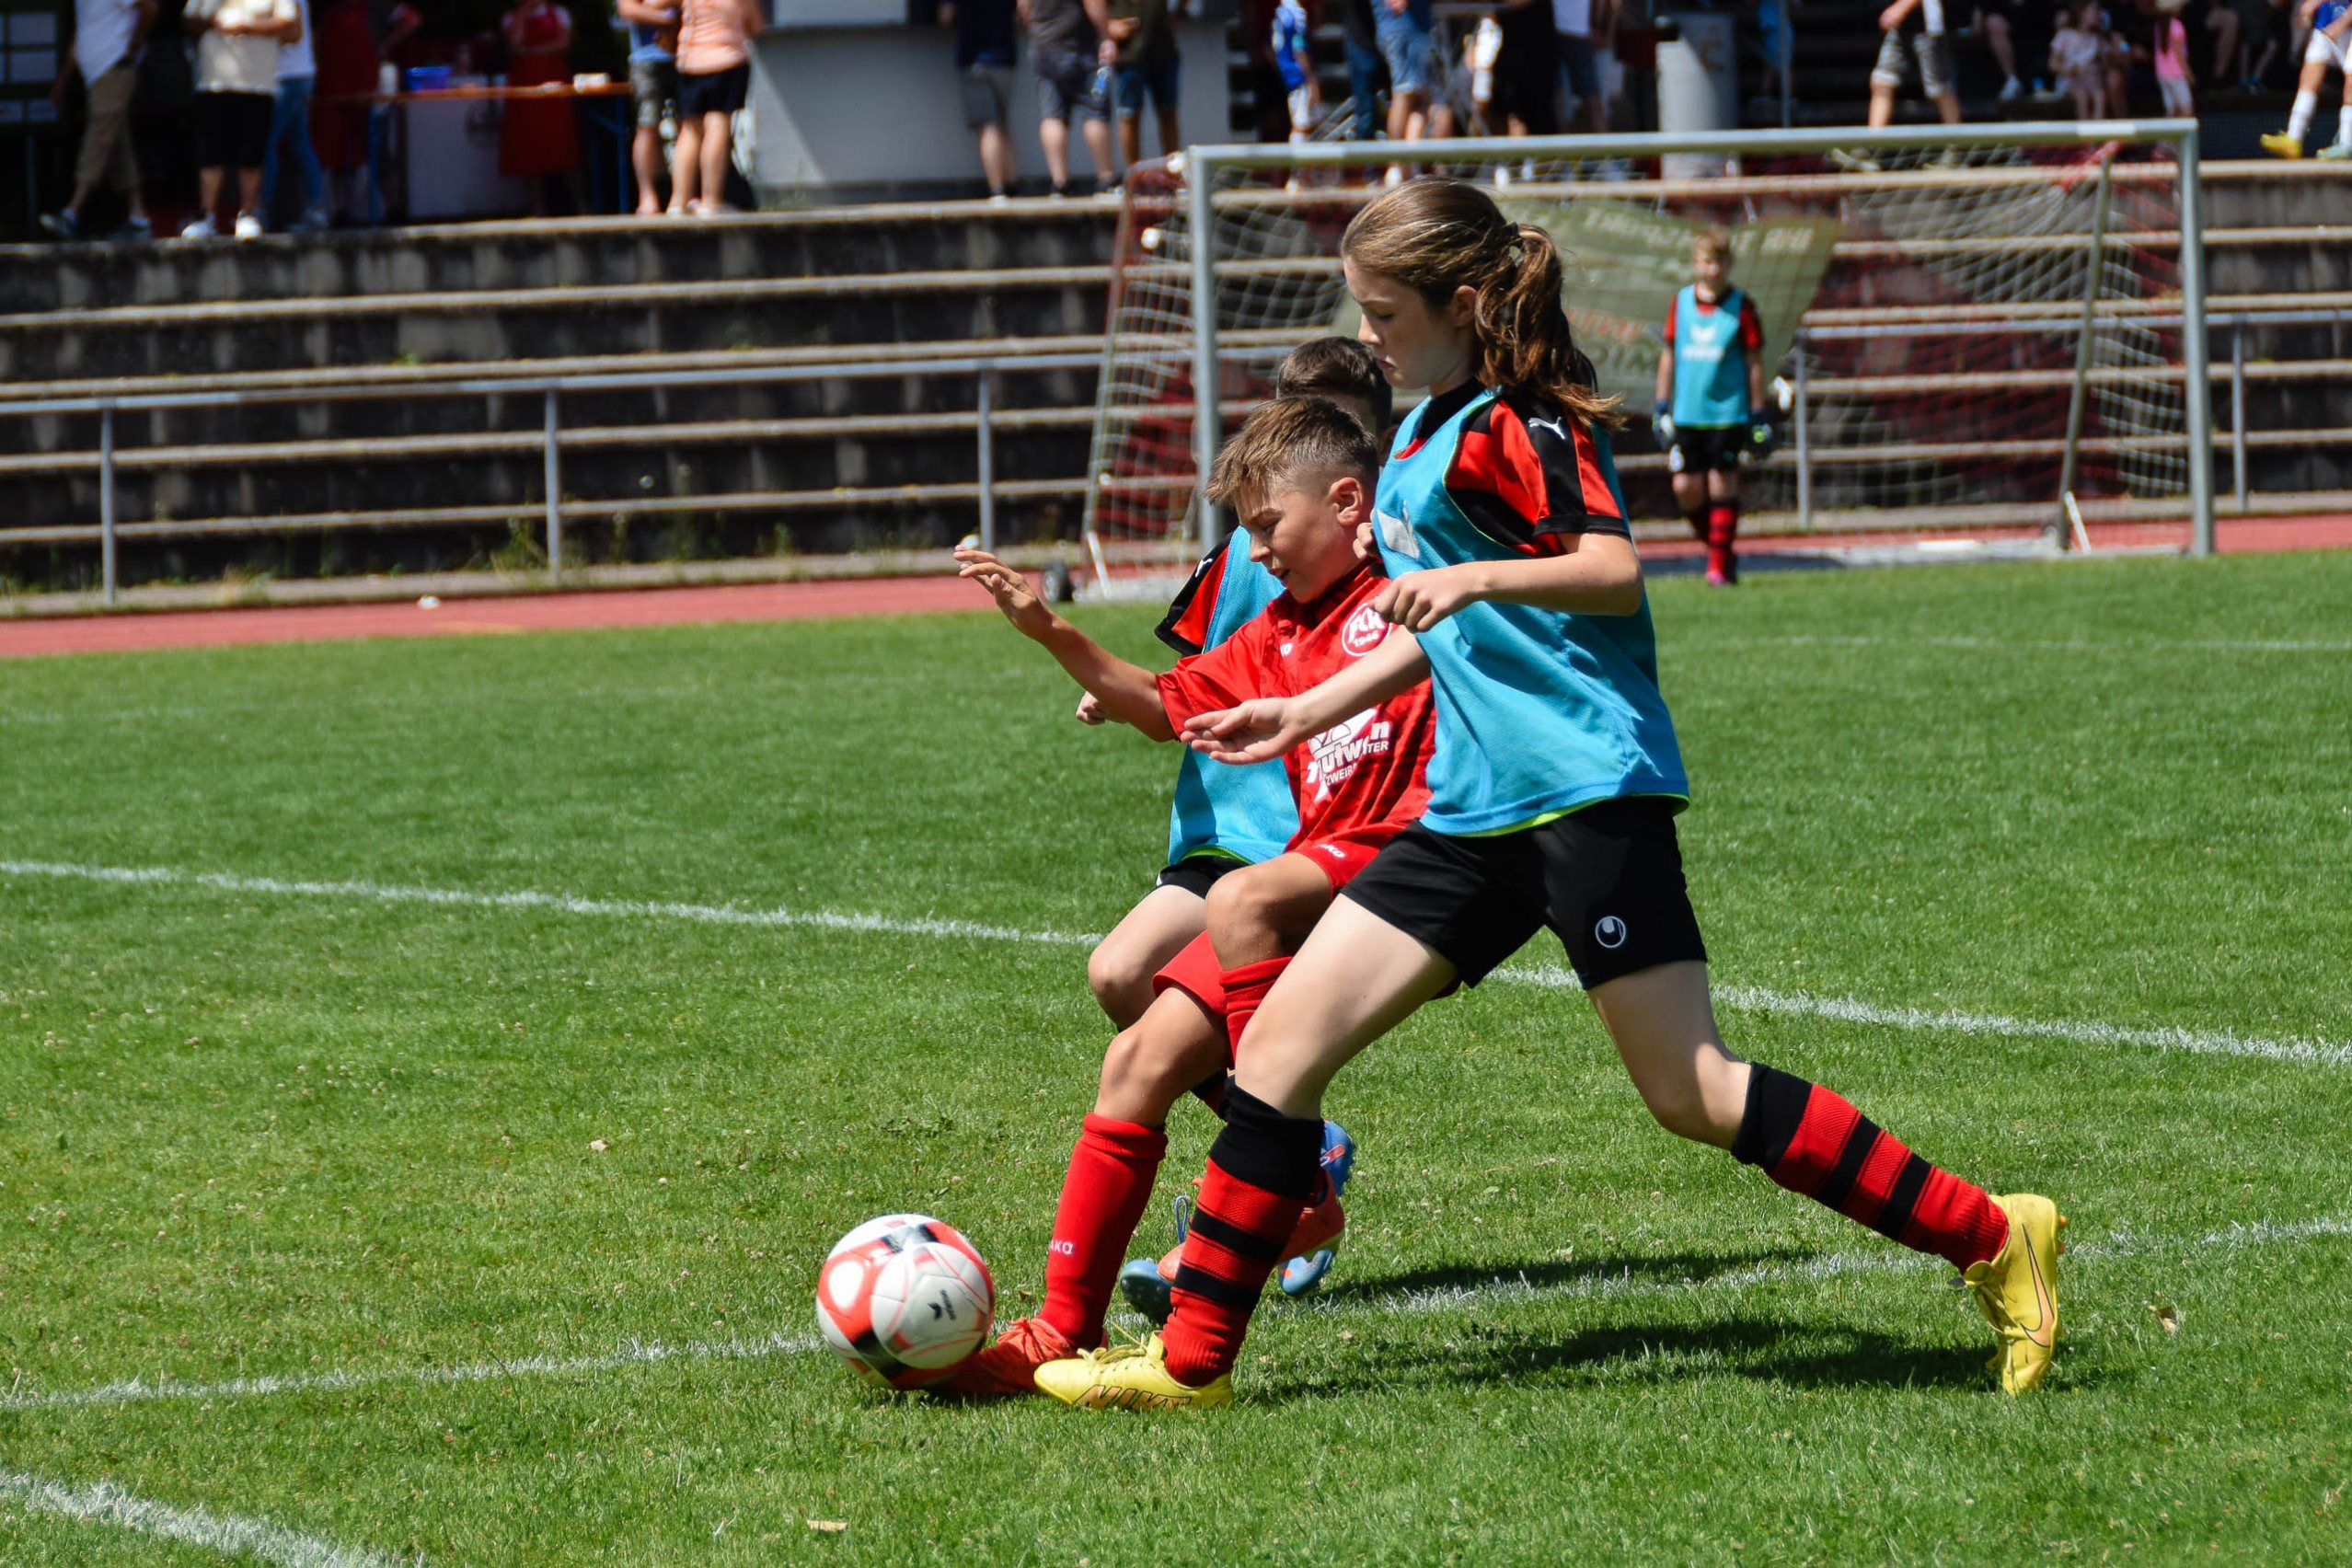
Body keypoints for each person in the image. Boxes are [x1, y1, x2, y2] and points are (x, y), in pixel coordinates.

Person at [1035, 178, 2064, 1412]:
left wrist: (1474, 581)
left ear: (1464, 303)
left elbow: (1612, 569)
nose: (1367, 336)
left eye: (1384, 313)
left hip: (1583, 794)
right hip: (1469, 813)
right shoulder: (1419, 434)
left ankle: (1993, 1233)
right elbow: (1440, 629)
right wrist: (1308, 709)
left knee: (1691, 1091)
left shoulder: (1522, 423)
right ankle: (1191, 1362)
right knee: (1279, 1054)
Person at [940, 395, 1436, 1397]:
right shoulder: (1279, 631)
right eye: (1248, 531)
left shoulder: (1417, 583)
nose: (1258, 552)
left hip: (1414, 867)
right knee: (1133, 1061)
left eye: (1270, 526)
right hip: (1313, 878)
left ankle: (1278, 1154)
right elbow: (1159, 705)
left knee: (1241, 902)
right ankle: (1059, 1331)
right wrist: (1046, 628)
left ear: (1350, 504)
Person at [1654, 229, 1768, 587]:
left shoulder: (1741, 306)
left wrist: (1758, 413)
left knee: (1722, 482)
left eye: (1719, 261)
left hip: (1727, 412)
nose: (1713, 269)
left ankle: (1717, 566)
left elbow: (1753, 362)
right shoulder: (1681, 302)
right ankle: (1720, 552)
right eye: (1706, 261)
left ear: (1729, 264)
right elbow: (1669, 355)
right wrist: (1661, 405)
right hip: (1688, 411)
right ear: (1695, 264)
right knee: (1684, 488)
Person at [40, 0, 157, 241]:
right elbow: (83, 33)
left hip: (114, 69)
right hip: (94, 78)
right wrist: (63, 80)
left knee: (99, 138)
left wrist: (134, 45)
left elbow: (150, 7)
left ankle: (71, 212)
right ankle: (138, 217)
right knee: (118, 144)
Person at [183, 0, 301, 239]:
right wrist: (214, 21)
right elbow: (189, 20)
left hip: (258, 84)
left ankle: (247, 213)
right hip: (213, 83)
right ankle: (206, 215)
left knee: (252, 153)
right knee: (210, 153)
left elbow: (291, 25)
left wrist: (249, 26)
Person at [1836, 0, 1961, 169]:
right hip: (1900, 28)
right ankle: (1872, 149)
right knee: (1882, 82)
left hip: (1927, 27)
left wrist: (1900, 8)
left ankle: (1955, 151)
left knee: (1939, 89)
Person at [671, 0, 761, 213]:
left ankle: (678, 202)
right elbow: (756, 25)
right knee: (718, 125)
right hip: (727, 60)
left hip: (690, 62)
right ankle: (711, 200)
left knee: (689, 131)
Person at [1021, 0, 1116, 196]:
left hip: (1043, 47)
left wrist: (1037, 28)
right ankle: (1107, 179)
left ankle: (1060, 183)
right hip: (1081, 49)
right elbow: (1094, 3)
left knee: (1052, 115)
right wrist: (1106, 37)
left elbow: (1023, 6)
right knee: (1095, 111)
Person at [500, 0, 583, 216]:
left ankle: (581, 205)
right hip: (525, 88)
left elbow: (563, 44)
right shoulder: (511, 18)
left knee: (564, 144)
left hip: (555, 86)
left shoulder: (560, 14)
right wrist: (523, 12)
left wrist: (530, 50)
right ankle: (538, 208)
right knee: (529, 147)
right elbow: (514, 45)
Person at [260, 0, 329, 231]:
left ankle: (261, 209)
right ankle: (316, 208)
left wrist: (251, 30)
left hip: (287, 76)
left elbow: (293, 32)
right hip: (297, 74)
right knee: (300, 143)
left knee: (266, 140)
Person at [941, 0, 1020, 200]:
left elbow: (946, 16)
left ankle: (997, 188)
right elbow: (1022, 11)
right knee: (1002, 124)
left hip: (974, 60)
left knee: (989, 126)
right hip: (1005, 58)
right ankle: (1011, 184)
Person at [2261, 0, 2352, 156]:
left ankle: (2347, 144)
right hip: (2325, 26)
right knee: (2309, 78)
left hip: (2345, 26)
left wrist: (2341, 23)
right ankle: (2294, 138)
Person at [616, 0, 680, 213]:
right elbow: (627, 10)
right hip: (647, 59)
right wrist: (667, 18)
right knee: (647, 126)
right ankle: (647, 195)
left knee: (690, 127)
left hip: (686, 56)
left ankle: (685, 193)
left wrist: (653, 7)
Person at [1105, 0, 1180, 168]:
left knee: (1168, 113)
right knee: (1129, 116)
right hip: (1130, 54)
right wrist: (1108, 25)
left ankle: (1173, 172)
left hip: (1164, 50)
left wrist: (1177, 12)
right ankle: (1134, 173)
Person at [1375, 0, 1434, 170]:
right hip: (1404, 29)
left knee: (1420, 98)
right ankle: (1397, 165)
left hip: (1410, 29)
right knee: (1405, 93)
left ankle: (1408, 166)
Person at [1552, 0, 1608, 135]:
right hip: (1553, 31)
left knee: (1590, 94)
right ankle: (1562, 144)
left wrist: (1597, 26)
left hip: (1578, 33)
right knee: (1556, 95)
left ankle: (1605, 142)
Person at [2051, 0, 2110, 116]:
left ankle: (2098, 126)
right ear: (2082, 13)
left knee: (2100, 95)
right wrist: (2071, 70)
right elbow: (2052, 64)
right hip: (2070, 80)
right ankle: (2084, 126)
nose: (2098, 13)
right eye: (2094, 10)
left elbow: (2104, 65)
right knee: (2082, 95)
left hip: (2092, 80)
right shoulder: (2065, 35)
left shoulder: (2098, 38)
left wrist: (2099, 64)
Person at [1274, 0, 1318, 146]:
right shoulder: (1297, 14)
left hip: (1285, 73)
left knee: (1307, 121)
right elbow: (1299, 48)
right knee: (1301, 125)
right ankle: (1298, 159)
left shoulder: (1279, 12)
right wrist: (1310, 79)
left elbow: (1269, 46)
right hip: (1298, 75)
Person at [2154, 0, 2197, 111]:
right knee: (2186, 107)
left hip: (2162, 73)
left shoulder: (2159, 26)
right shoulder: (2177, 26)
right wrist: (2188, 73)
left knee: (2171, 108)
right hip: (2176, 73)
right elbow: (2179, 55)